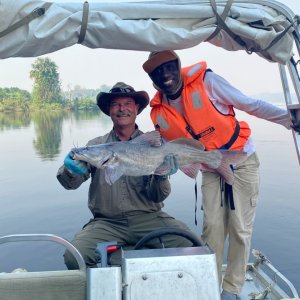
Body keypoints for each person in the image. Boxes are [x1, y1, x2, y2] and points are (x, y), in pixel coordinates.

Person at [142, 50, 300, 300]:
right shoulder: (158, 113)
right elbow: (177, 152)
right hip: (208, 168)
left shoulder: (207, 82)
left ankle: (232, 289)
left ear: (178, 65)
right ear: (152, 79)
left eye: (169, 67)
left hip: (242, 160)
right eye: (157, 72)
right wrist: (171, 167)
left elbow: (251, 105)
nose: (165, 75)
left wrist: (288, 119)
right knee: (212, 227)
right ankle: (208, 285)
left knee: (239, 228)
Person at [57, 81, 194, 269]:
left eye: (128, 103)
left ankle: (123, 257)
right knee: (74, 257)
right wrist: (69, 170)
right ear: (109, 111)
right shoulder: (96, 144)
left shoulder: (154, 145)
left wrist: (162, 176)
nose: (122, 109)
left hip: (149, 218)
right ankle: (124, 262)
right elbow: (69, 184)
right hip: (106, 223)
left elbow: (158, 196)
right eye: (115, 104)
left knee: (192, 245)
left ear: (136, 108)